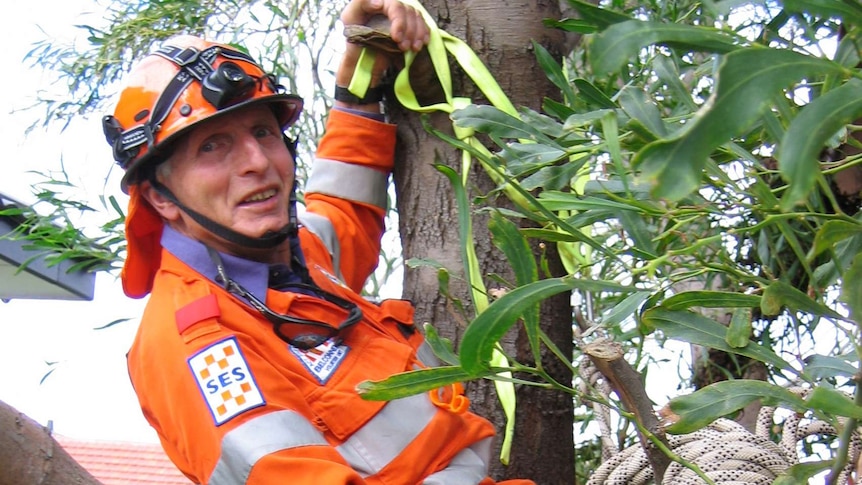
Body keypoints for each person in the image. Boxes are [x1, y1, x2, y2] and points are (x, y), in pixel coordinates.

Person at [103, 0, 535, 483]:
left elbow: (344, 210)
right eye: (212, 146)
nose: (257, 162)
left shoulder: (292, 261)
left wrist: (359, 85)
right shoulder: (200, 343)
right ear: (160, 198)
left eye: (263, 132)